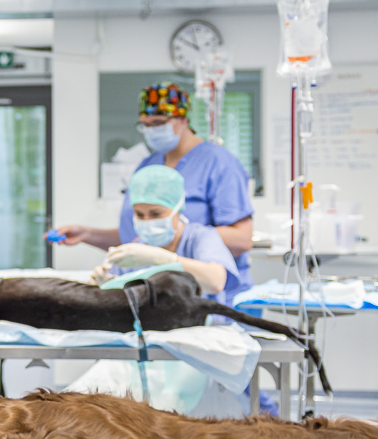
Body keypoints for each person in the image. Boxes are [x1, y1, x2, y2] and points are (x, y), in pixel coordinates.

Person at [56, 82, 254, 285]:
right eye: (145, 124)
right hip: (158, 293)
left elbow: (242, 239)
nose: (151, 130)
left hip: (210, 292)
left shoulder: (218, 163)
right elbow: (139, 234)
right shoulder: (148, 166)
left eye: (158, 122)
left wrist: (174, 247)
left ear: (183, 119)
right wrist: (87, 234)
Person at [92, 165, 249, 306]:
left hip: (205, 330)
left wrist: (163, 259)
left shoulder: (200, 238)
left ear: (177, 209)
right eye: (140, 215)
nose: (147, 221)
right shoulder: (136, 250)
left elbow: (215, 282)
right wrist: (107, 286)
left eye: (155, 214)